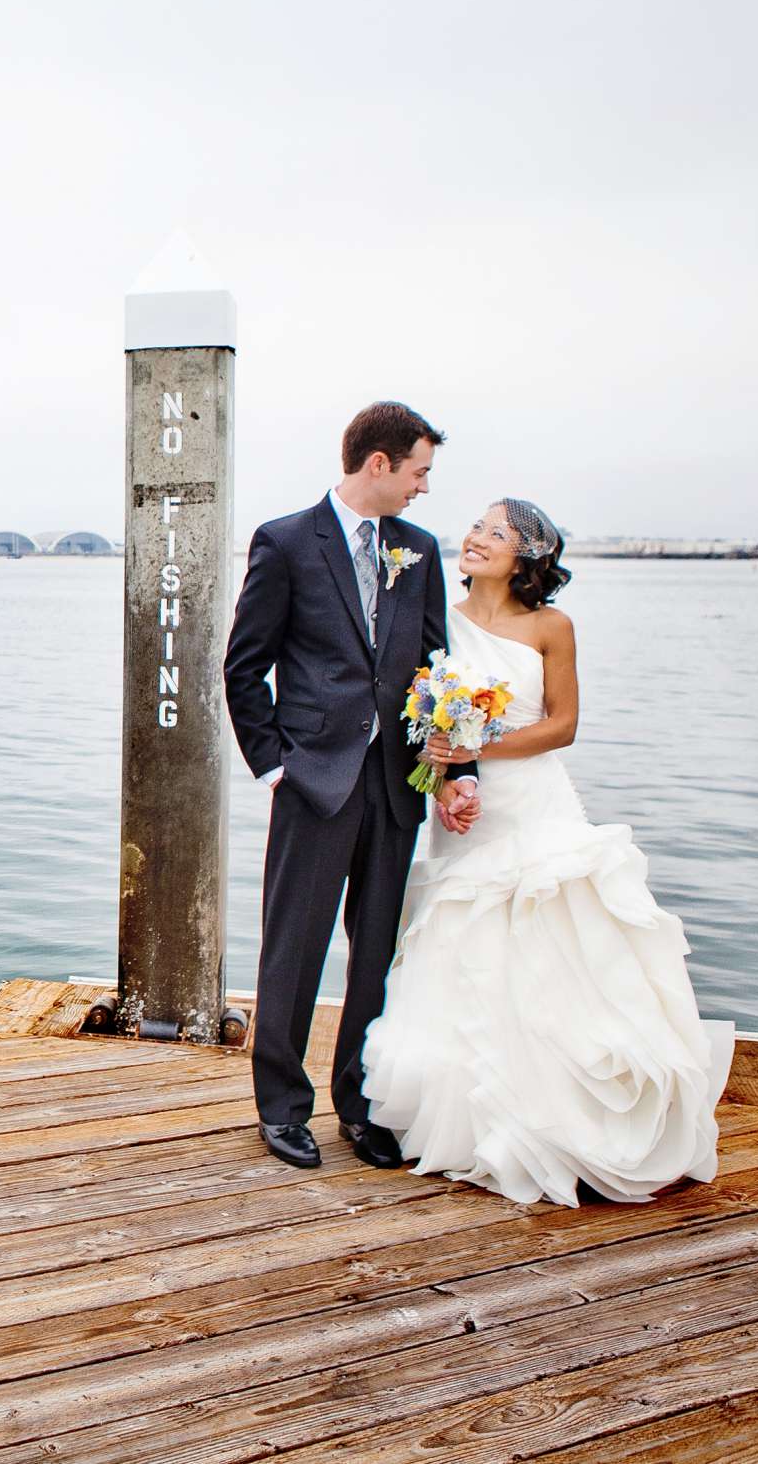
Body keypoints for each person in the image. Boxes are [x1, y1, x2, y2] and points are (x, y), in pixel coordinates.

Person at [361, 500, 730, 1205]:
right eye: (475, 526)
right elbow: (422, 713)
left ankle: (564, 1115)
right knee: (463, 943)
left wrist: (478, 748)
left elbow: (563, 726)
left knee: (553, 939)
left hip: (533, 802)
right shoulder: (438, 615)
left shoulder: (551, 626)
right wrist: (445, 771)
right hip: (459, 807)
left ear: (526, 557)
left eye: (494, 533)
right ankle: (467, 1119)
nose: (473, 538)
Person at [223, 402, 478, 1172]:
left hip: (395, 784)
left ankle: (359, 1108)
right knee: (293, 948)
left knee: (375, 953)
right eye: (419, 471)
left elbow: (435, 671)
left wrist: (447, 770)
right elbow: (244, 667)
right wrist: (276, 764)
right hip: (314, 779)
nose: (424, 488)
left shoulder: (420, 549)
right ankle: (282, 1107)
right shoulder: (287, 541)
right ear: (379, 463)